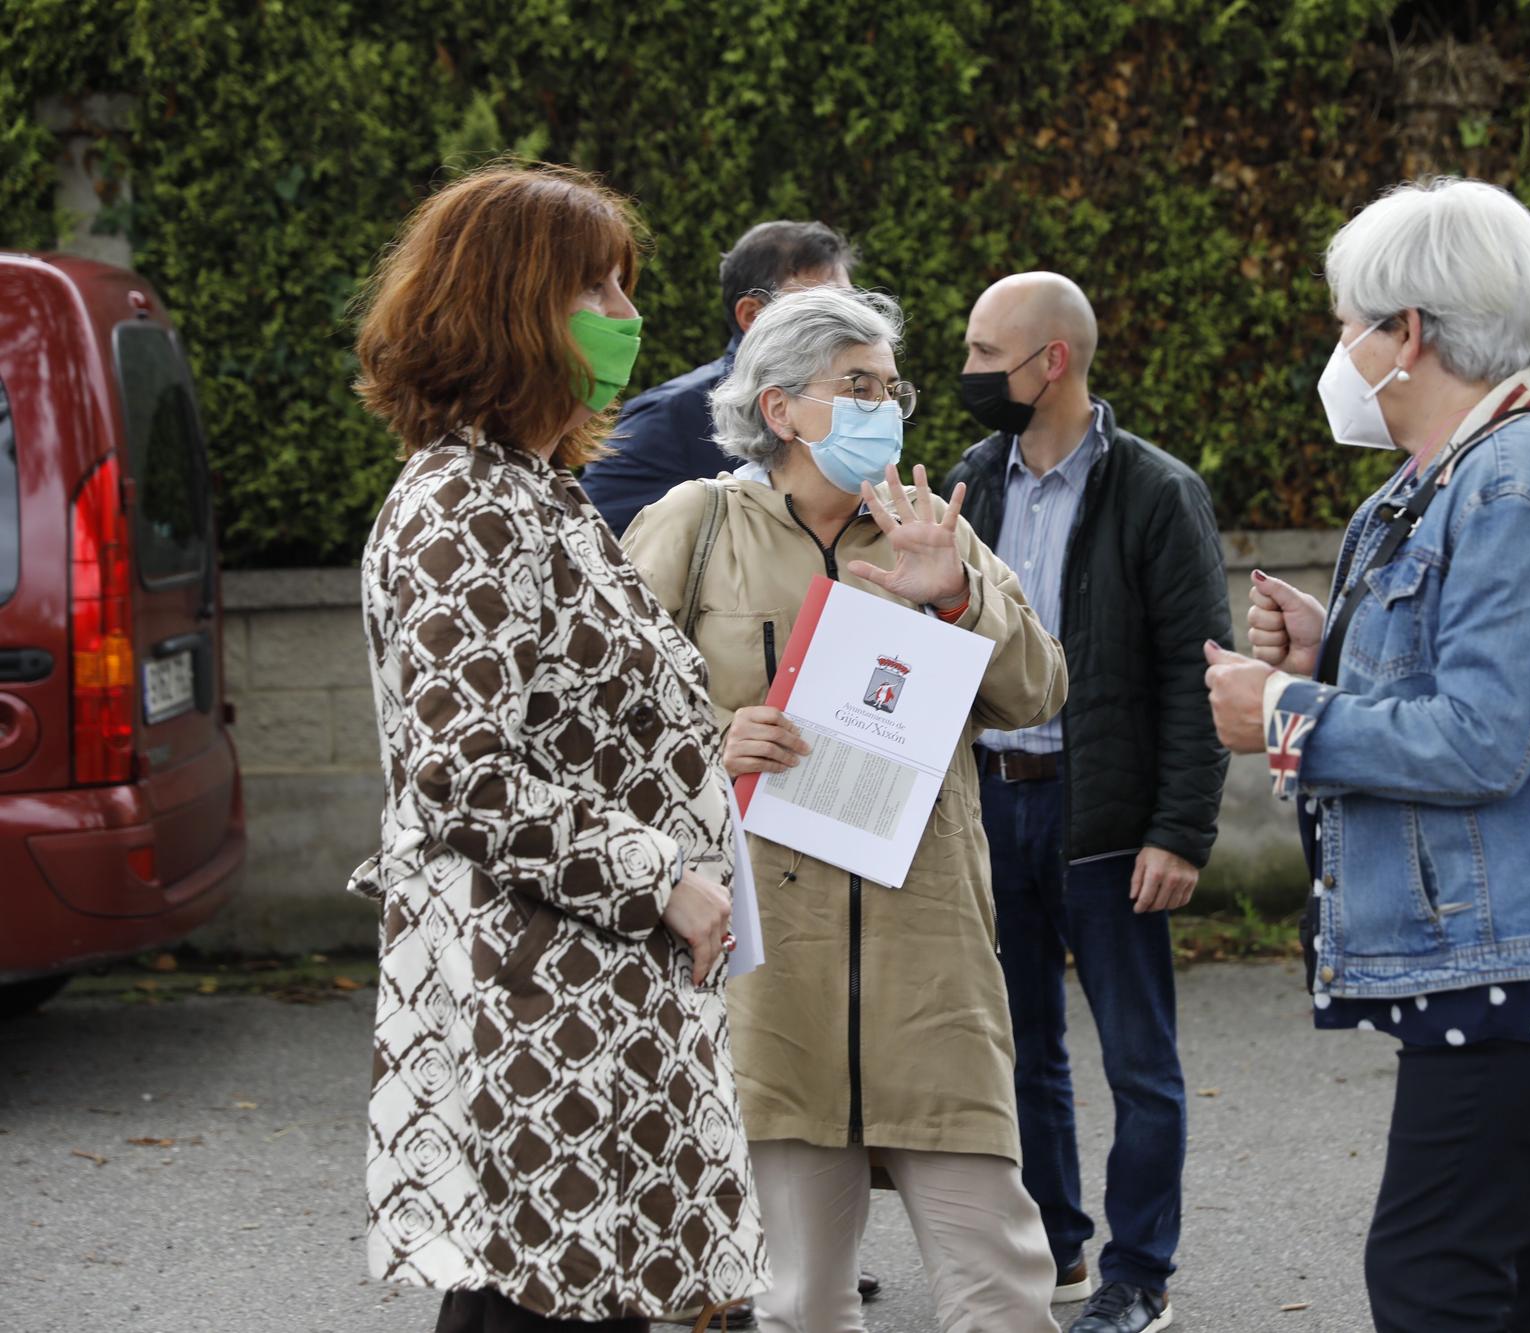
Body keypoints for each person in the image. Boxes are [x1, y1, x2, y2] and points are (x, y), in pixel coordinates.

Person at [1202, 177, 1530, 1333]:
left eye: (1346, 324)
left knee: (1433, 1277)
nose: (1339, 349)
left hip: (1515, 959)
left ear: (1406, 331)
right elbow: (1474, 686)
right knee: (1526, 1283)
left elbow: (1480, 741)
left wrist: (1281, 709)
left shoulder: (1520, 479)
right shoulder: (1459, 475)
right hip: (1519, 952)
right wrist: (1328, 654)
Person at [344, 163, 766, 1332]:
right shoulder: (466, 503)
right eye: (597, 289)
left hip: (593, 1011)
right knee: (535, 1311)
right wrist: (660, 878)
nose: (631, 319)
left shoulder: (534, 489)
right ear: (506, 309)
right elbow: (457, 770)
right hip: (541, 1018)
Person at [620, 285, 1068, 1333]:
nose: (886, 406)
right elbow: (605, 712)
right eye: (855, 386)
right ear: (780, 409)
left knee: (1000, 1284)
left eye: (891, 386)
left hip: (930, 950)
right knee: (797, 1297)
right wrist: (713, 738)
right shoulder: (698, 524)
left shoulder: (925, 527)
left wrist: (956, 595)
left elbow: (1038, 691)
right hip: (772, 964)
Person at [943, 272, 1230, 1333]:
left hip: (1104, 815)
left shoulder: (1154, 492)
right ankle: (1057, 1249)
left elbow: (1196, 671)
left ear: (1048, 361)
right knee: (1017, 1049)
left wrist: (1178, 830)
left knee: (1137, 1058)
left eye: (983, 352)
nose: (967, 373)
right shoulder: (973, 479)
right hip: (991, 807)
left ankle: (1136, 1276)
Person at [582, 219, 855, 535]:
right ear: (752, 315)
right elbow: (591, 548)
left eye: (850, 307)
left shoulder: (846, 404)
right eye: (821, 310)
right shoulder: (670, 420)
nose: (847, 326)